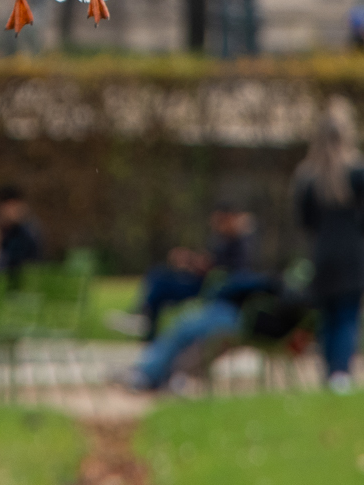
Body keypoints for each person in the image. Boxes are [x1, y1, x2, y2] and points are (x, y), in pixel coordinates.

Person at [117, 207, 276, 391]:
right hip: (227, 305)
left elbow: (229, 276)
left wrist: (199, 265)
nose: (216, 226)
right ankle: (152, 368)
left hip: (232, 310)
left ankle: (149, 373)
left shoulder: (244, 246)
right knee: (165, 291)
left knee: (183, 328)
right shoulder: (232, 243)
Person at [294, 101, 364, 392]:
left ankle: (328, 372)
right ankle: (341, 372)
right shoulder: (356, 172)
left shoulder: (308, 176)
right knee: (347, 315)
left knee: (327, 316)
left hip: (322, 253)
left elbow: (304, 220)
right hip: (352, 253)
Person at [108, 204, 256, 340]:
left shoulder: (238, 243)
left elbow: (223, 271)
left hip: (206, 288)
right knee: (158, 275)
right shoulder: (222, 240)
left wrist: (193, 261)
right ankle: (144, 322)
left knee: (160, 285)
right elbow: (209, 261)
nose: (216, 226)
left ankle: (144, 321)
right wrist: (190, 261)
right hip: (200, 282)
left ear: (229, 218)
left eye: (219, 221)